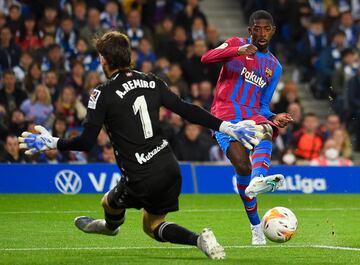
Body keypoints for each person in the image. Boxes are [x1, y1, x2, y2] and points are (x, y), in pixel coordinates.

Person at [19, 31, 265, 260]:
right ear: (129, 56)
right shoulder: (152, 81)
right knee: (154, 221)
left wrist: (52, 142)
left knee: (116, 207)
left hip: (140, 174)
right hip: (169, 166)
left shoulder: (101, 93)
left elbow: (85, 142)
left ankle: (110, 228)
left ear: (104, 60)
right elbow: (186, 110)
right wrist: (227, 127)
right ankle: (201, 240)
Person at [201, 10, 293, 245]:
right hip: (224, 115)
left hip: (252, 116)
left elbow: (262, 105)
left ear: (272, 31)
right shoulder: (235, 44)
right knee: (242, 166)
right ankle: (255, 225)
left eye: (266, 29)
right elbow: (206, 58)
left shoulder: (275, 66)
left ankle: (258, 179)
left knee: (267, 130)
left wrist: (274, 116)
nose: (262, 33)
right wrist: (236, 51)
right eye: (257, 29)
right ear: (249, 30)